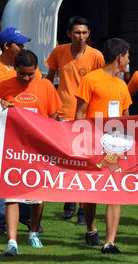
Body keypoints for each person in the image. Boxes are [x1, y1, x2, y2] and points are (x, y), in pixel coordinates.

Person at [0, 50, 62, 256]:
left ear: (36, 71)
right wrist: (2, 107)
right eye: (22, 74)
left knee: (38, 194)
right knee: (11, 194)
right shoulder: (4, 87)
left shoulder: (46, 86)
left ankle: (34, 232)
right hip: (12, 149)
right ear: (14, 68)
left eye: (30, 74)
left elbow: (54, 117)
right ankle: (12, 241)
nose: (25, 78)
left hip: (38, 149)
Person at [0, 27, 42, 237]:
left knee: (28, 172)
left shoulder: (30, 66)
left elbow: (38, 91)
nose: (23, 47)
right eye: (19, 44)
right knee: (0, 174)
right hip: (2, 130)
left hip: (28, 132)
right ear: (7, 46)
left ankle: (25, 216)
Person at [74, 38, 132, 254]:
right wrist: (81, 140)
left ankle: (110, 242)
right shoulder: (91, 79)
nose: (129, 60)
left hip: (115, 147)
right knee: (92, 192)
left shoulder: (122, 85)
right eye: (128, 55)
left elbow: (127, 118)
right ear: (120, 56)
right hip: (92, 143)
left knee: (114, 192)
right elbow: (80, 113)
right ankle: (91, 229)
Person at [45, 16, 105, 224]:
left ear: (89, 35)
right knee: (64, 162)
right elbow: (49, 79)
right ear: (68, 33)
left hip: (86, 118)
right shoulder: (58, 52)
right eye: (77, 32)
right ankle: (69, 199)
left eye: (85, 33)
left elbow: (101, 84)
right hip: (62, 115)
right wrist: (45, 104)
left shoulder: (96, 56)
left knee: (83, 162)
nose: (81, 37)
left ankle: (82, 209)